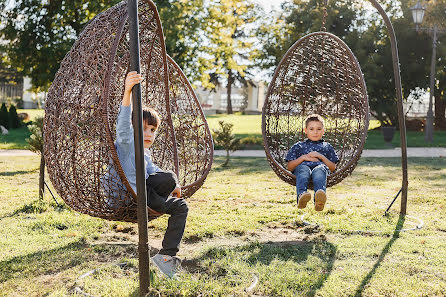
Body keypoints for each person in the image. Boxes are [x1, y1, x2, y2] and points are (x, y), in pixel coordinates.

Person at [114, 71, 188, 278]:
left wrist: (175, 186)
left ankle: (166, 256)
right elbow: (123, 128)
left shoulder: (145, 153)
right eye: (144, 128)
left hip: (147, 197)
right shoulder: (128, 145)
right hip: (128, 196)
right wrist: (127, 91)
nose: (148, 134)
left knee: (181, 206)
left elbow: (153, 172)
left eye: (153, 130)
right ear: (134, 128)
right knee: (169, 178)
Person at [285, 114, 339, 211]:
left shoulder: (327, 146)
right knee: (303, 170)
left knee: (319, 171)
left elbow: (333, 167)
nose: (315, 132)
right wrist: (303, 158)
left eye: (318, 129)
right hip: (302, 167)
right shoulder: (299, 146)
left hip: (320, 168)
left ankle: (319, 199)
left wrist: (321, 156)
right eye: (311, 129)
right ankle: (302, 196)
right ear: (305, 130)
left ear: (323, 131)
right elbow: (289, 167)